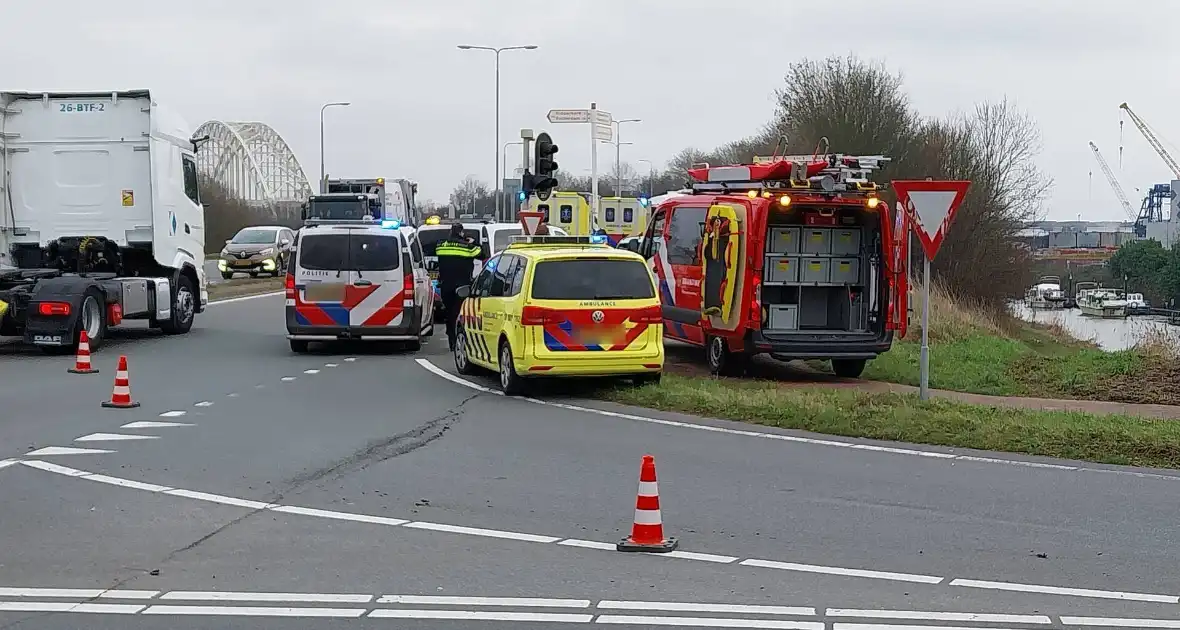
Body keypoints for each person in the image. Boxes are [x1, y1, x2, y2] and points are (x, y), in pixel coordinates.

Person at [435, 223, 482, 351]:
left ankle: (452, 340)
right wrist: (473, 242)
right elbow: (482, 253)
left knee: (450, 313)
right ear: (461, 233)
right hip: (462, 286)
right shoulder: (468, 247)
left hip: (446, 285)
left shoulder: (441, 246)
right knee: (461, 314)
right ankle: (461, 341)